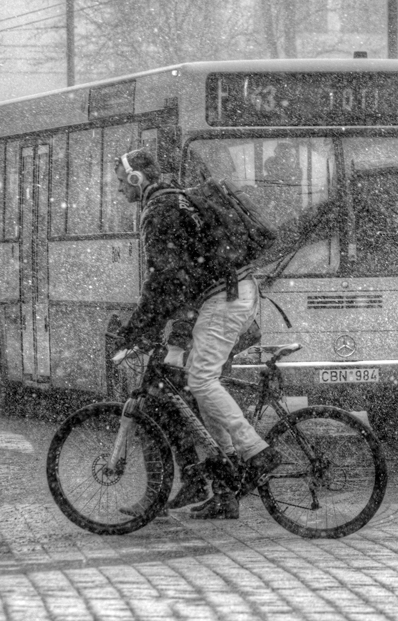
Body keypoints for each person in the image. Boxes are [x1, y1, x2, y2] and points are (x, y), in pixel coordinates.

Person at [112, 148, 281, 520]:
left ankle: (254, 453)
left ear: (136, 180)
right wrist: (164, 328)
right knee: (183, 393)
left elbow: (166, 279)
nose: (119, 191)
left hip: (223, 300)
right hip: (219, 299)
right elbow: (180, 276)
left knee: (198, 384)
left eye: (121, 183)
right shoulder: (172, 201)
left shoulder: (159, 211)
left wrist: (138, 328)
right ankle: (219, 486)